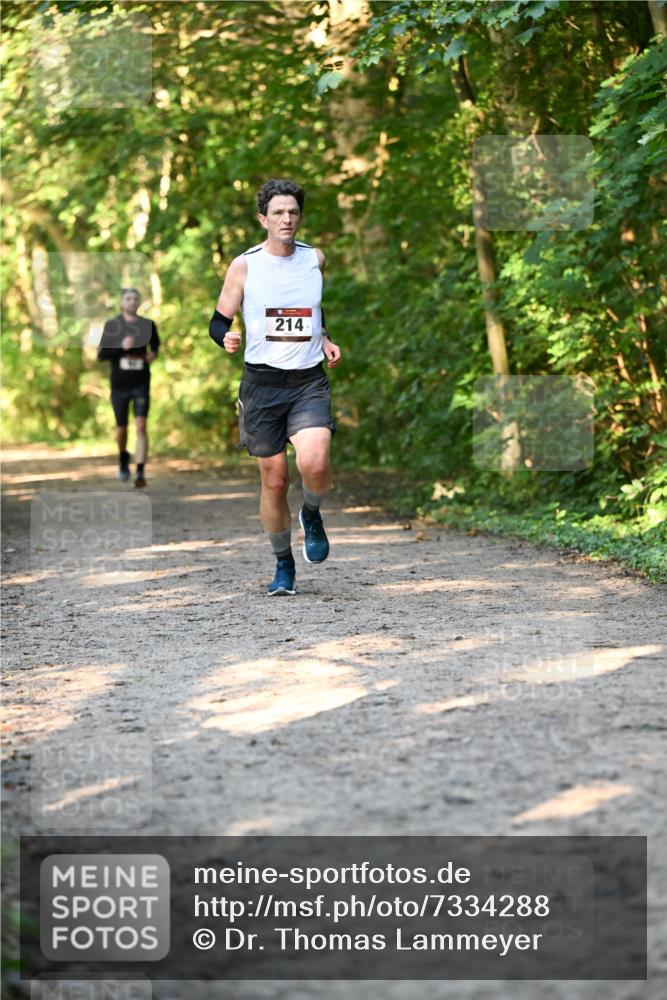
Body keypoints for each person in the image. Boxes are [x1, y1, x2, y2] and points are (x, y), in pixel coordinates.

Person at [209, 178, 342, 596]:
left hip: (308, 382)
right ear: (263, 218)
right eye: (279, 213)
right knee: (274, 481)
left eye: (293, 212)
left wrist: (324, 336)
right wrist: (225, 337)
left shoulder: (314, 259)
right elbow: (219, 320)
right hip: (262, 386)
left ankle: (313, 513)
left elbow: (312, 309)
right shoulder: (244, 265)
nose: (287, 219)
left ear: (300, 217)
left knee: (316, 464)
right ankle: (283, 565)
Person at [97, 288, 160, 488]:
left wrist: (153, 355)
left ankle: (140, 472)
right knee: (122, 429)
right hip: (119, 385)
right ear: (121, 302)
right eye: (128, 298)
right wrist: (121, 348)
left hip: (141, 382)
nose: (132, 302)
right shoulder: (113, 325)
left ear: (139, 303)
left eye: (135, 299)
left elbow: (156, 346)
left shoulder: (148, 325)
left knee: (141, 425)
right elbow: (101, 355)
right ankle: (123, 457)